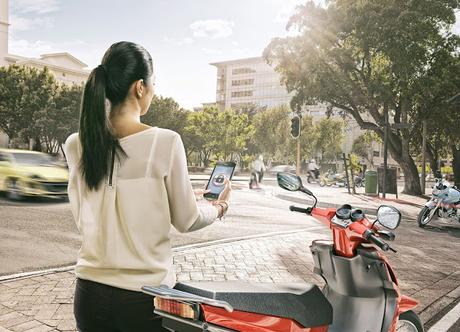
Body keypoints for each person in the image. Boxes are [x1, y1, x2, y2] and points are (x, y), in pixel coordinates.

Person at [63, 41, 231, 332]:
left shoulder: (77, 144)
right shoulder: (165, 141)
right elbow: (187, 219)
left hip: (89, 296)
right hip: (143, 300)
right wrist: (219, 206)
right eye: (153, 83)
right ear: (140, 87)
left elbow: (101, 204)